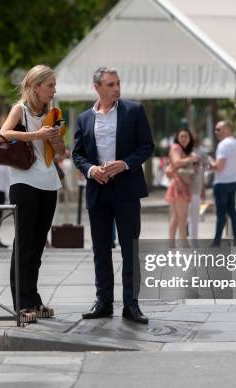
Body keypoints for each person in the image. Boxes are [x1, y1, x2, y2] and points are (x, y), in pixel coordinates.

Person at [72, 67, 154, 324]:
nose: (116, 88)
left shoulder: (134, 111)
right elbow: (77, 154)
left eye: (118, 83)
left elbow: (147, 146)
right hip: (98, 190)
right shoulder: (85, 118)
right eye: (110, 84)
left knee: (130, 249)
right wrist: (90, 169)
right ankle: (104, 302)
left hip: (127, 189)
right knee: (100, 249)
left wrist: (125, 163)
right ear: (97, 87)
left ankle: (131, 305)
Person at [0, 65, 65, 322]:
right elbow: (3, 133)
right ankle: (21, 303)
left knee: (38, 246)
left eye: (54, 85)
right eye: (50, 85)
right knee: (24, 244)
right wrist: (36, 134)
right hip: (24, 183)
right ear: (36, 86)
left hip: (49, 183)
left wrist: (56, 139)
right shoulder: (21, 110)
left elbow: (59, 152)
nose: (54, 90)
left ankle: (33, 298)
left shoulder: (54, 114)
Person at [208, 120, 236, 246]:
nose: (216, 132)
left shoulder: (223, 145)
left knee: (221, 214)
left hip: (222, 183)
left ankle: (217, 241)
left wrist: (211, 164)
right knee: (232, 211)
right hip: (233, 181)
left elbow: (219, 167)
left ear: (227, 129)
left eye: (218, 129)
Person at [165, 128, 199, 244]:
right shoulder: (176, 147)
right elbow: (176, 162)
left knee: (176, 217)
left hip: (180, 185)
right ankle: (184, 244)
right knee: (182, 217)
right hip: (178, 186)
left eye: (186, 136)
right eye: (182, 136)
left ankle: (172, 246)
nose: (184, 139)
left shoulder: (182, 149)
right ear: (177, 138)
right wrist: (191, 159)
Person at [188, 135, 207, 240]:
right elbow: (202, 173)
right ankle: (192, 241)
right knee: (193, 218)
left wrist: (202, 190)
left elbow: (202, 173)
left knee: (188, 218)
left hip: (193, 189)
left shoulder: (199, 153)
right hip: (193, 189)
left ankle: (189, 241)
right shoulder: (199, 153)